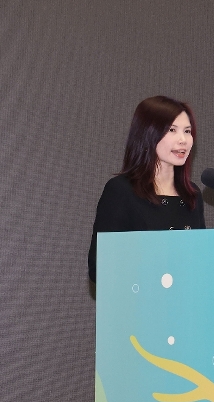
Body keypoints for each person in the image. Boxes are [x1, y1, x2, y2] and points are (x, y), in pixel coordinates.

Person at [88, 96, 206, 282]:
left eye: (187, 131)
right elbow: (99, 268)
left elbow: (203, 262)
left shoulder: (192, 194)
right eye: (172, 130)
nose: (183, 140)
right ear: (148, 134)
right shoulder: (121, 190)